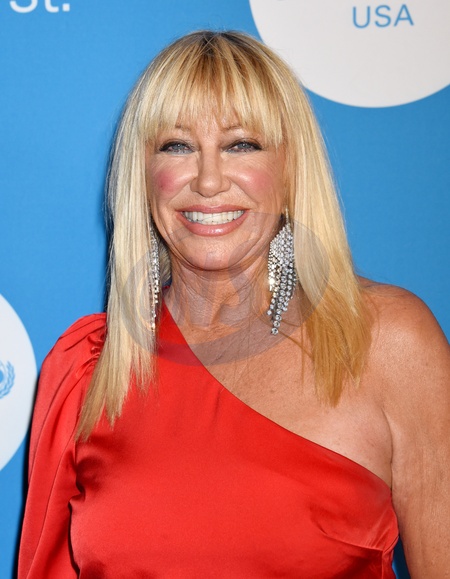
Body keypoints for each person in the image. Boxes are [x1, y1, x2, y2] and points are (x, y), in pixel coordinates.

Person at [19, 30, 449, 578]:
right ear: (144, 177)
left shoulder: (386, 342)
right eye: (177, 146)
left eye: (241, 145)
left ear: (291, 170)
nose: (208, 180)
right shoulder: (87, 370)